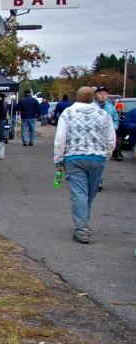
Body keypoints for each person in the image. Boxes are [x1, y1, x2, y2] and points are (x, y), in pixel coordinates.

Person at [53, 86, 115, 244]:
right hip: (97, 158)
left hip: (74, 157)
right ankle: (83, 220)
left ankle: (81, 229)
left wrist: (58, 159)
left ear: (77, 97)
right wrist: (106, 154)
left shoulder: (67, 114)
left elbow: (60, 139)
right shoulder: (104, 114)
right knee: (90, 192)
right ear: (92, 98)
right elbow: (111, 138)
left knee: (79, 193)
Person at [94, 86, 121, 161]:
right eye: (100, 94)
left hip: (107, 131)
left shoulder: (111, 107)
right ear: (96, 94)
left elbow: (115, 119)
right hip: (95, 132)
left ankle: (117, 154)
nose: (103, 96)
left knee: (117, 138)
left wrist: (114, 128)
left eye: (105, 94)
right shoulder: (91, 106)